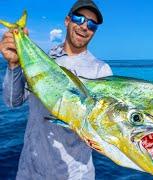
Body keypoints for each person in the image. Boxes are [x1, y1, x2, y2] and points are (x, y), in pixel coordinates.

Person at [0, 0, 112, 179]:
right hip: (29, 171)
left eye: (92, 24)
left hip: (75, 175)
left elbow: (101, 127)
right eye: (79, 18)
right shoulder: (42, 60)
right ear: (67, 21)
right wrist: (13, 64)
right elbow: (13, 102)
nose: (85, 27)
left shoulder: (101, 71)